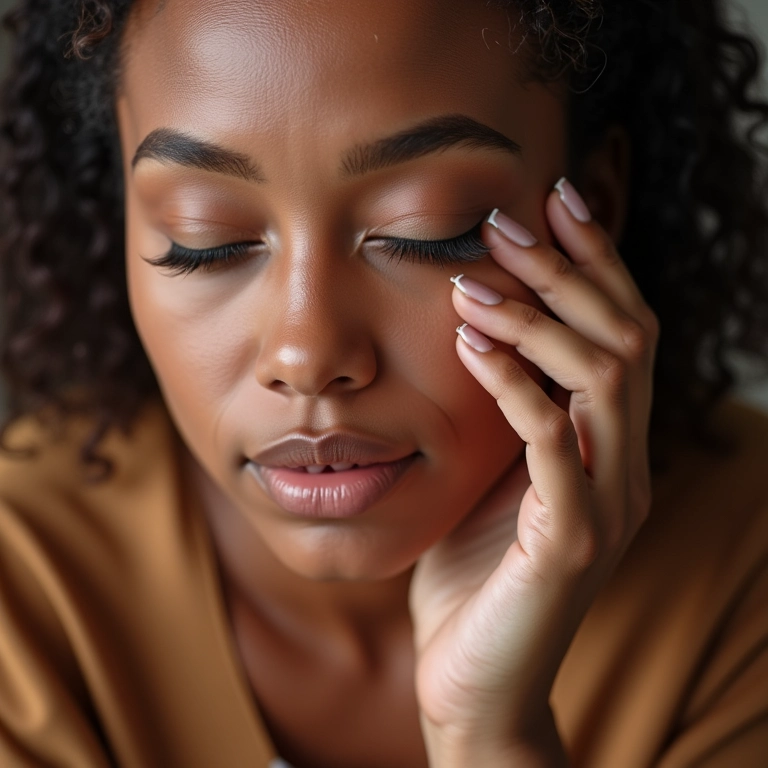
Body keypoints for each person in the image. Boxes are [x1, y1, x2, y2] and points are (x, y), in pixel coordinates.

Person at [0, 0, 767, 766]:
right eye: (205, 240)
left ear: (588, 209)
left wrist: (491, 737)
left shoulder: (742, 563)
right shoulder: (24, 595)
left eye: (427, 229)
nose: (306, 352)